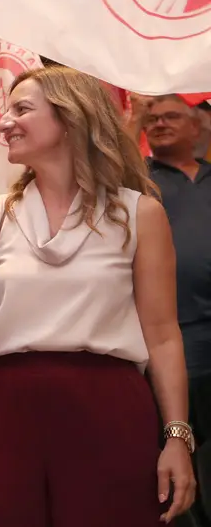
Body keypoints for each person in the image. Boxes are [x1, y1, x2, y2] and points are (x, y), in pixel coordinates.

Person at [0, 65, 195, 525]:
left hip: (108, 408)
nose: (4, 123)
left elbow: (163, 335)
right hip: (2, 409)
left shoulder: (139, 213)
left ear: (71, 119)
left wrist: (177, 435)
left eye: (22, 109)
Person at [144, 95, 211, 526]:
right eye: (152, 119)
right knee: (180, 462)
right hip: (174, 346)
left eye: (171, 116)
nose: (160, 123)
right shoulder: (137, 182)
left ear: (196, 125)